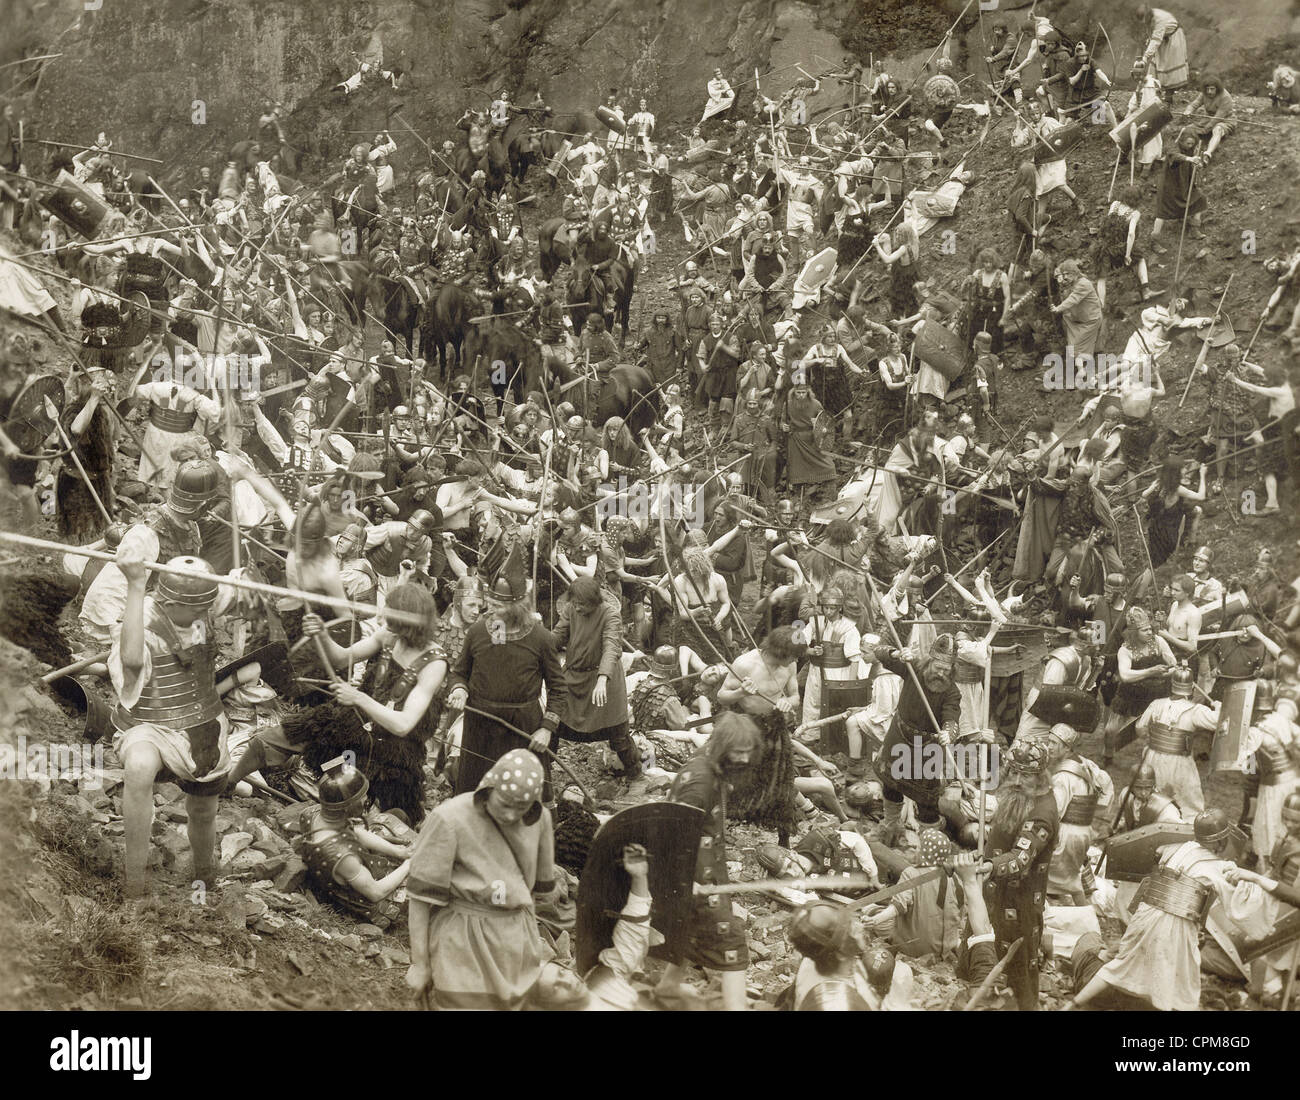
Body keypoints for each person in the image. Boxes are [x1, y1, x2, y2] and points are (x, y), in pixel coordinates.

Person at [108, 550, 241, 897]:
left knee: (204, 809)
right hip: (149, 724)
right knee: (139, 767)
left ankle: (204, 875)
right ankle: (135, 883)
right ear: (169, 602)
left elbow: (236, 594)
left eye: (205, 607)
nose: (203, 614)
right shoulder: (142, 620)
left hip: (203, 725)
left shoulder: (203, 605)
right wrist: (135, 584)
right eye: (196, 609)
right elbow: (131, 661)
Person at [405, 748, 558, 1010]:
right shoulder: (449, 817)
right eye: (505, 804)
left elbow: (541, 890)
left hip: (516, 939)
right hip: (463, 938)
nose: (511, 815)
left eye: (521, 807)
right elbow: (419, 898)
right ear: (488, 789)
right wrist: (420, 964)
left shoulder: (539, 818)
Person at [1068, 809, 1263, 1010]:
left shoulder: (1180, 848)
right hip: (1175, 925)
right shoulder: (1219, 868)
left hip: (1145, 916)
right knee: (1181, 982)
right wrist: (1256, 881)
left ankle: (1071, 1005)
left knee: (1120, 966)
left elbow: (1159, 855)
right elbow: (1243, 907)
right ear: (1222, 842)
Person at [291, 584, 448, 824]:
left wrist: (358, 697)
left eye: (390, 612)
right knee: (287, 738)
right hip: (358, 726)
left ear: (408, 620)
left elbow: (404, 725)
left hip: (396, 751)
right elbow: (342, 658)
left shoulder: (435, 663)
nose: (382, 616)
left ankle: (353, 814)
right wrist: (322, 634)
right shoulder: (388, 635)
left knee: (397, 818)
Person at [656, 713, 762, 1010]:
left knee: (689, 933)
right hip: (692, 878)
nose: (744, 759)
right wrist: (683, 882)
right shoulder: (700, 781)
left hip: (706, 871)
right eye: (737, 752)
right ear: (723, 746)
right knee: (732, 944)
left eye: (748, 752)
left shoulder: (710, 761)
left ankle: (666, 988)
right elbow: (671, 833)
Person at [445, 545, 566, 795]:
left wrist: (546, 728)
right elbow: (459, 673)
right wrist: (459, 690)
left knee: (522, 796)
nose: (490, 610)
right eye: (489, 604)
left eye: (498, 606)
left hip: (522, 728)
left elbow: (558, 688)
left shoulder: (541, 638)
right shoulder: (478, 632)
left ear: (518, 607)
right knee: (477, 794)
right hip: (480, 727)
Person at [982, 738, 1059, 1009]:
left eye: (1024, 775)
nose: (1016, 780)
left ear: (1040, 776)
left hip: (1020, 903)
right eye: (1013, 772)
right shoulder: (1022, 794)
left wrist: (990, 866)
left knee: (1020, 969)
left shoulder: (1043, 814)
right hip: (997, 894)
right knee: (987, 958)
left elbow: (1020, 858)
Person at [300, 756, 412, 927]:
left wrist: (398, 852)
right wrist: (408, 864)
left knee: (396, 814)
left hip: (357, 874)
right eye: (362, 797)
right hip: (373, 902)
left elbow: (354, 832)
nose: (365, 800)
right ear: (349, 806)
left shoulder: (311, 813)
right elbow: (376, 893)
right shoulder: (343, 857)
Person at [873, 633, 961, 844]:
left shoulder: (952, 692)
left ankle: (929, 843)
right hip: (899, 738)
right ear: (930, 661)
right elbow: (878, 652)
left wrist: (948, 733)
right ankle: (891, 829)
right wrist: (896, 654)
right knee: (891, 786)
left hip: (927, 749)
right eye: (938, 667)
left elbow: (952, 717)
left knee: (927, 801)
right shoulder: (913, 668)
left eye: (946, 670)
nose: (941, 673)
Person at [553, 576, 641, 779]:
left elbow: (611, 647)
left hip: (605, 680)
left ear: (594, 602)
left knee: (618, 735)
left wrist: (602, 679)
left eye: (582, 604)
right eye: (575, 603)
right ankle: (543, 774)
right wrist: (538, 642)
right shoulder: (571, 609)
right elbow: (557, 637)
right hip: (575, 677)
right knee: (553, 723)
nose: (577, 608)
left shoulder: (610, 614)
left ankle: (636, 775)